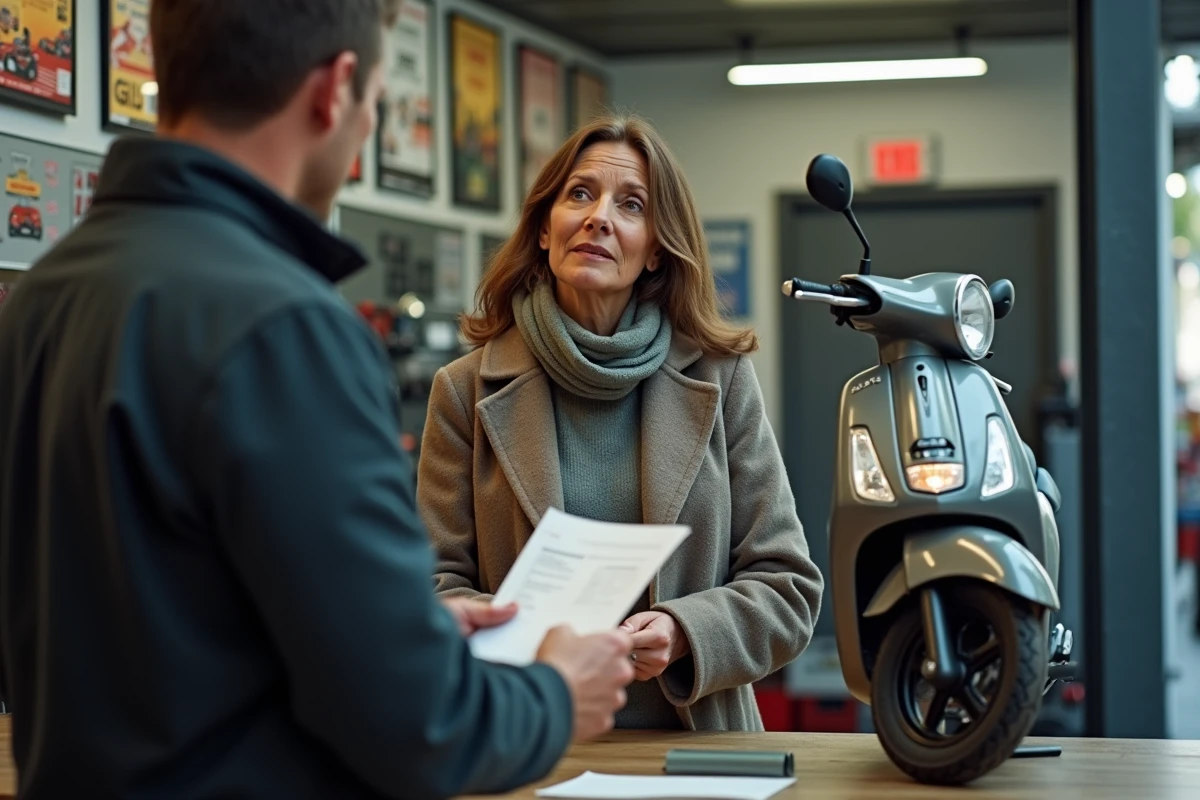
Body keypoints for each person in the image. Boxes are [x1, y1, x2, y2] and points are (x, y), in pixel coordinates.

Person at [0, 2, 636, 798]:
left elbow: (158, 614)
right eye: (376, 102)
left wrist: (395, 627)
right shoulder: (286, 327)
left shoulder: (41, 299)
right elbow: (422, 728)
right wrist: (555, 694)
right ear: (336, 91)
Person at [419, 114, 825, 731]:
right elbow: (432, 590)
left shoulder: (721, 378)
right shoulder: (463, 390)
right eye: (579, 194)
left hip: (694, 749)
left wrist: (686, 631)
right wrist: (536, 640)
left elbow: (788, 588)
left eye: (630, 204)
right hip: (531, 741)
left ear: (656, 247)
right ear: (545, 229)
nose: (599, 217)